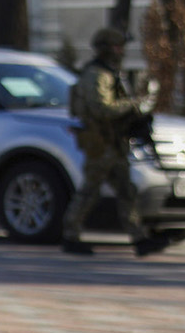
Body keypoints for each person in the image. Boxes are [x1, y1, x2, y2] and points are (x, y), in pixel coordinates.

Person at [63, 25, 165, 257]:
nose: (122, 51)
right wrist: (133, 105)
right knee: (89, 191)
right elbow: (102, 108)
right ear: (106, 48)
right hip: (101, 143)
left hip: (114, 142)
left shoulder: (110, 73)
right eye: (118, 47)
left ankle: (139, 238)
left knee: (126, 191)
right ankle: (70, 235)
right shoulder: (97, 75)